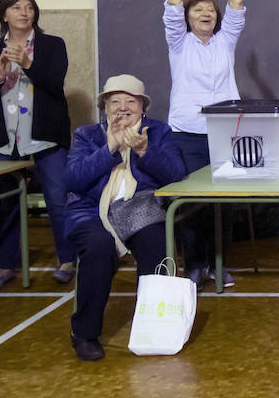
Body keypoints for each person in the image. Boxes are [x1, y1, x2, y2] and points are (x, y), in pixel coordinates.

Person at [64, 74, 186, 360]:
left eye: (130, 101)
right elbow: (73, 180)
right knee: (97, 248)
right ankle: (84, 333)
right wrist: (109, 148)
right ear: (104, 107)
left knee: (157, 243)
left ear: (142, 106)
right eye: (114, 101)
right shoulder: (87, 135)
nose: (122, 107)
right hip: (91, 210)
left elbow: (177, 176)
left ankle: (154, 327)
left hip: (140, 206)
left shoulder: (158, 132)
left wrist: (144, 150)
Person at [164, 0, 245, 288]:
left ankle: (219, 263)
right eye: (198, 10)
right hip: (186, 134)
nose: (207, 13)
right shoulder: (179, 44)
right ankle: (194, 265)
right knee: (191, 203)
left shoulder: (225, 41)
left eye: (211, 10)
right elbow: (171, 4)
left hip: (224, 131)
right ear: (188, 17)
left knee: (224, 204)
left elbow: (238, 3)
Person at [0, 0, 75, 290]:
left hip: (45, 136)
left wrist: (28, 65)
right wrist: (0, 77)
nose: (24, 12)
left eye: (29, 7)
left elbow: (56, 85)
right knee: (7, 203)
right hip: (5, 139)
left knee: (58, 200)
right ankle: (6, 263)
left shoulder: (52, 45)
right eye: (17, 7)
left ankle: (67, 259)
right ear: (4, 14)